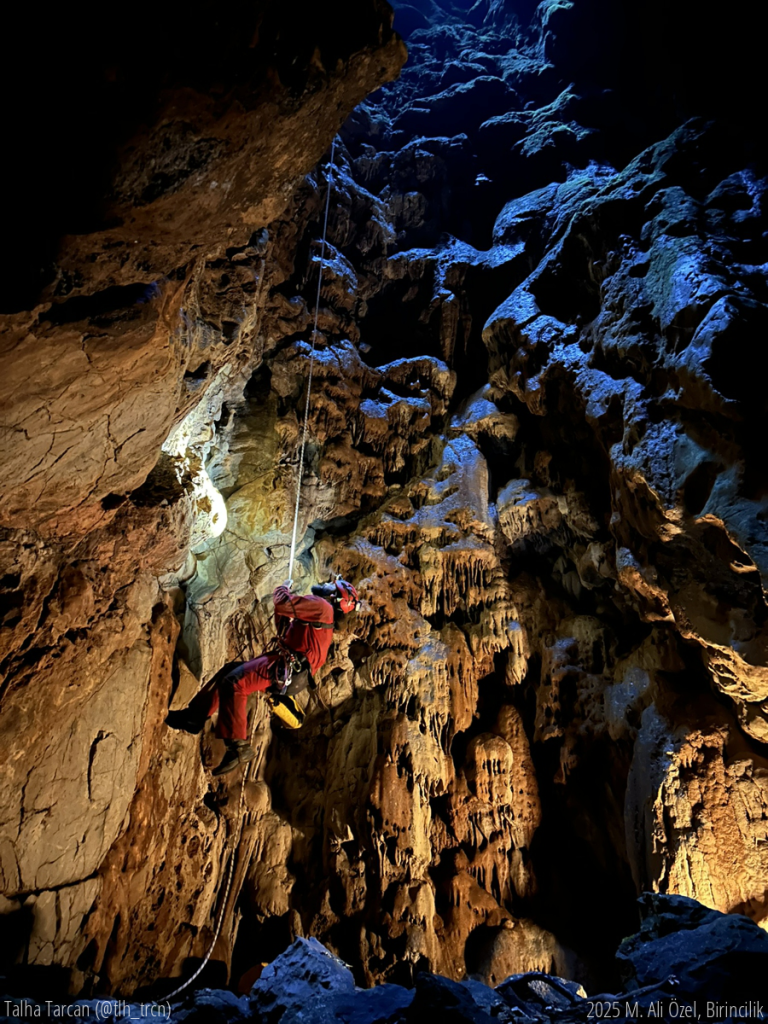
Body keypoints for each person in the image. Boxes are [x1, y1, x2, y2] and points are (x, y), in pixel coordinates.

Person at [166, 578, 359, 776]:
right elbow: (285, 624)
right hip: (288, 668)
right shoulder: (322, 614)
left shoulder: (322, 607)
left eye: (331, 586)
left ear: (335, 597)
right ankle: (194, 717)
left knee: (234, 683)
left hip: (285, 668)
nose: (326, 584)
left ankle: (238, 746)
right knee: (230, 670)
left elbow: (283, 603)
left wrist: (283, 588)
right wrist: (284, 607)